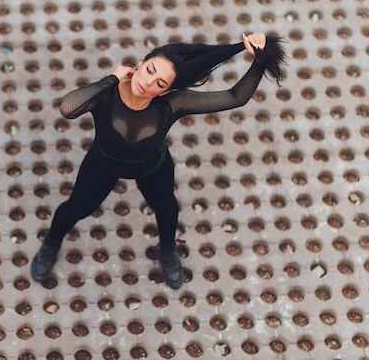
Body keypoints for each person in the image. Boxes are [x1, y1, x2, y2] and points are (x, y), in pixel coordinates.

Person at [31, 33, 286, 289]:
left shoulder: (171, 105)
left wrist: (260, 60)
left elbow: (235, 97)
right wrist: (111, 78)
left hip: (152, 168)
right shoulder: (106, 94)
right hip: (102, 164)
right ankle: (51, 242)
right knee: (76, 208)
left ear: (167, 90)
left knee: (166, 210)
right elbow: (67, 108)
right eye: (149, 69)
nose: (147, 82)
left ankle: (167, 250)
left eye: (160, 82)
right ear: (141, 62)